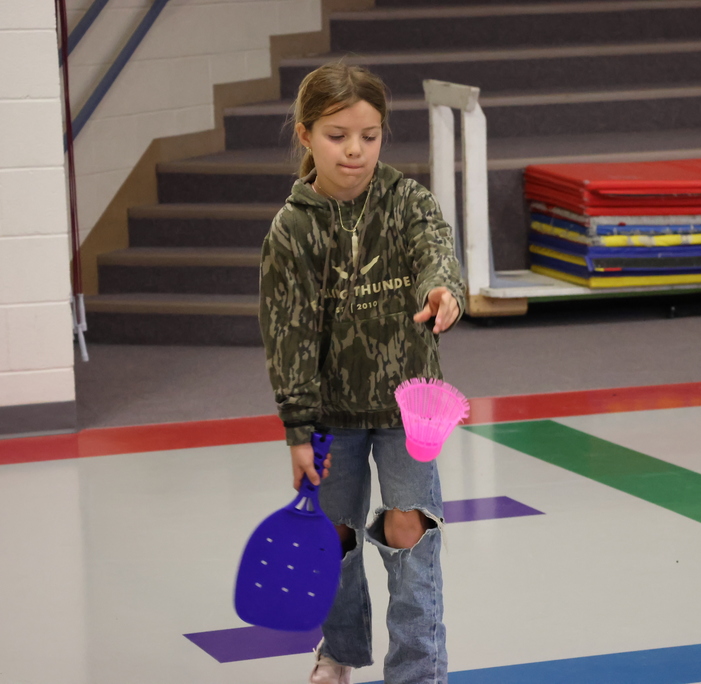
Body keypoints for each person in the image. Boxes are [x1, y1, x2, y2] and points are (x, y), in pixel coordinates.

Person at [258, 63, 465, 684]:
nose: (354, 150)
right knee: (337, 541)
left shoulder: (408, 202)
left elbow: (436, 251)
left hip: (409, 412)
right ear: (305, 135)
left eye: (369, 136)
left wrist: (443, 291)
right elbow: (285, 337)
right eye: (337, 135)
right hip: (329, 418)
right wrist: (298, 431)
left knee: (410, 534)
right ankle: (341, 650)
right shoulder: (290, 231)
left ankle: (418, 673)